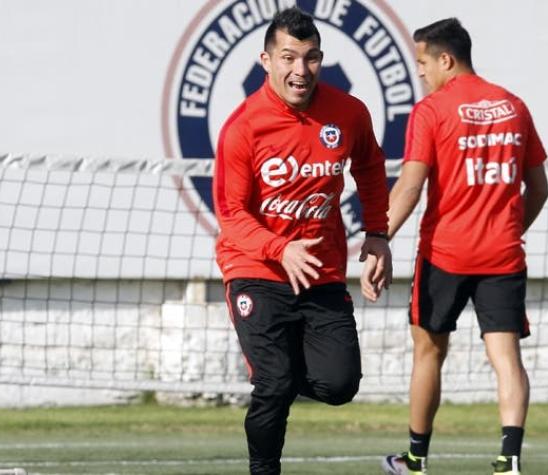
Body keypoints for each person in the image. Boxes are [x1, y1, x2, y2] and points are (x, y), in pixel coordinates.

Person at [212, 7, 392, 475]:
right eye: (289, 57)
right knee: (273, 384)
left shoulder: (349, 112)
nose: (301, 70)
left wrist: (377, 234)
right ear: (267, 61)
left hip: (320, 271)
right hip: (256, 268)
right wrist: (279, 248)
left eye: (311, 58)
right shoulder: (243, 127)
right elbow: (231, 216)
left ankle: (283, 372)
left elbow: (370, 168)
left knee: (340, 385)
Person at [373, 18, 548, 475]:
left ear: (446, 60)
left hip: (445, 255)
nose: (420, 72)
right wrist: (507, 228)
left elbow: (409, 188)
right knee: (506, 357)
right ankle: (509, 460)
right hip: (503, 255)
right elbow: (539, 189)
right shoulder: (513, 106)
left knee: (429, 352)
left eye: (423, 63)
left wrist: (378, 241)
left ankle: (415, 458)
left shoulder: (432, 111)